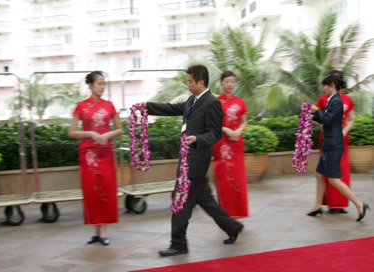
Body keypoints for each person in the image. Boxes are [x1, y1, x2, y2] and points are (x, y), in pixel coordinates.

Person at [142, 64, 244, 257]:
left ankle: (178, 243)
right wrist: (147, 107)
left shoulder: (212, 103)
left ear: (200, 82)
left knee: (180, 200)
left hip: (196, 160)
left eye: (190, 81)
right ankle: (232, 227)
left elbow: (215, 134)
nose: (187, 84)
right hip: (187, 158)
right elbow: (172, 108)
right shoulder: (192, 100)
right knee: (204, 199)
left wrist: (198, 139)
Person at [68, 71, 123, 246]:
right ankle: (95, 230)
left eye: (104, 84)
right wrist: (91, 133)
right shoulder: (81, 106)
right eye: (99, 83)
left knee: (106, 189)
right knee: (92, 192)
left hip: (105, 152)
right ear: (90, 85)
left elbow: (120, 129)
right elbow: (71, 132)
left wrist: (107, 135)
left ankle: (104, 230)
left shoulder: (109, 105)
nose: (102, 87)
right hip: (88, 153)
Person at [308, 74, 368, 221]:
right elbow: (325, 120)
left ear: (333, 85)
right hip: (329, 144)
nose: (324, 88)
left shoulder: (337, 102)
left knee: (334, 180)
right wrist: (312, 113)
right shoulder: (332, 100)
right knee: (319, 175)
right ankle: (317, 206)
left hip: (333, 145)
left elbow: (327, 121)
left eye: (326, 85)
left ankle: (360, 205)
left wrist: (316, 111)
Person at [315, 70, 355, 214]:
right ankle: (328, 203)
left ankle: (341, 204)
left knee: (342, 171)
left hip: (342, 140)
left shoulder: (347, 100)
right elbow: (317, 119)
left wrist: (344, 132)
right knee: (325, 173)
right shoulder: (323, 99)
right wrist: (324, 127)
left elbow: (352, 120)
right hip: (328, 139)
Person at [212, 71, 249, 219]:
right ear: (221, 83)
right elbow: (212, 123)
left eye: (232, 81)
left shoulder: (241, 101)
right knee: (223, 176)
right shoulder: (215, 102)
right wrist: (226, 129)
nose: (230, 85)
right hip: (222, 143)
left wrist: (238, 131)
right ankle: (226, 213)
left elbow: (244, 121)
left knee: (238, 177)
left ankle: (239, 212)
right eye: (227, 81)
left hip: (236, 143)